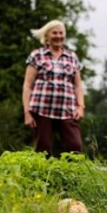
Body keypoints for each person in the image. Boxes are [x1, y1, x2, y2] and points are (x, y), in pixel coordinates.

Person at [22, 20, 84, 155]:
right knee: (43, 150)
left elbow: (78, 85)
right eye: (54, 33)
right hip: (41, 109)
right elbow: (27, 85)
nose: (58, 36)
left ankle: (72, 175)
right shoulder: (37, 55)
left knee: (75, 146)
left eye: (61, 33)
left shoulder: (71, 57)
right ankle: (43, 176)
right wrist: (27, 113)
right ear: (47, 37)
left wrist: (80, 106)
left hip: (67, 109)